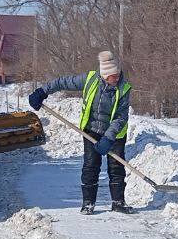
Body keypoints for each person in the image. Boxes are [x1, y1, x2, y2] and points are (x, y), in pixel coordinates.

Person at [29, 51, 133, 215]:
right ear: (105, 76)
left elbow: (121, 117)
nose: (118, 78)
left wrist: (108, 137)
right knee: (91, 166)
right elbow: (63, 82)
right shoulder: (90, 79)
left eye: (118, 74)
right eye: (114, 76)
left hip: (115, 134)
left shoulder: (124, 88)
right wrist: (42, 91)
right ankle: (88, 203)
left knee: (116, 168)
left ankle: (118, 202)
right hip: (91, 131)